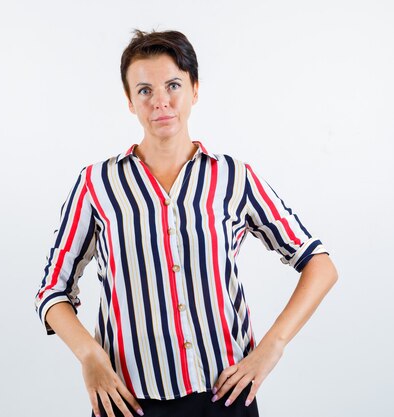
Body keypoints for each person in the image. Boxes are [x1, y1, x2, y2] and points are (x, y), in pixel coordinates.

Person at [33, 28, 338, 417]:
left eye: (173, 85)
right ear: (129, 101)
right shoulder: (96, 184)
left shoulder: (234, 178)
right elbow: (51, 290)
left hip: (225, 396)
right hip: (127, 402)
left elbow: (319, 264)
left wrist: (271, 347)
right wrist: (89, 357)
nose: (160, 101)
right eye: (144, 90)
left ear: (194, 90)